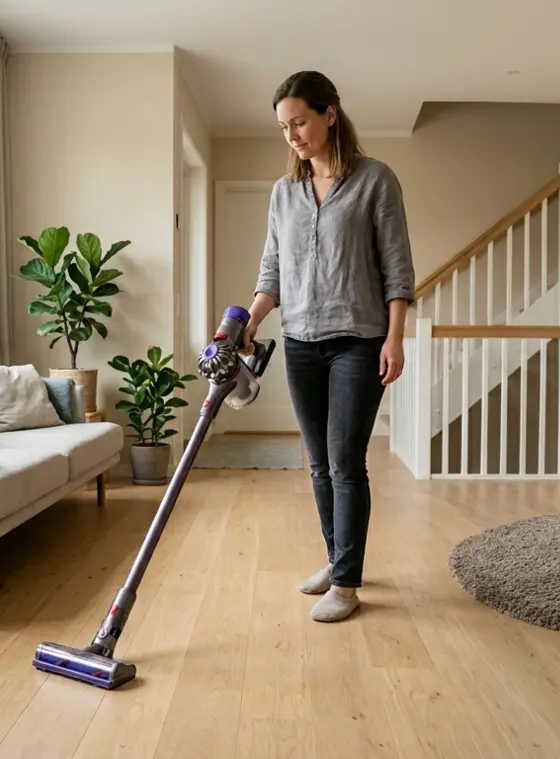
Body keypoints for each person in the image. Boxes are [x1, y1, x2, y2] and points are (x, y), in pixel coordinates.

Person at [241, 70, 415, 622]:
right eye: (283, 126)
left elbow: (397, 268)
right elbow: (273, 269)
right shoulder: (283, 192)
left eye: (299, 121)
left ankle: (347, 583)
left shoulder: (375, 181)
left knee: (345, 462)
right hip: (300, 342)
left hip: (359, 344)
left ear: (329, 114)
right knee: (317, 464)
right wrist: (250, 319)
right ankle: (336, 559)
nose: (291, 134)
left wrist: (395, 338)